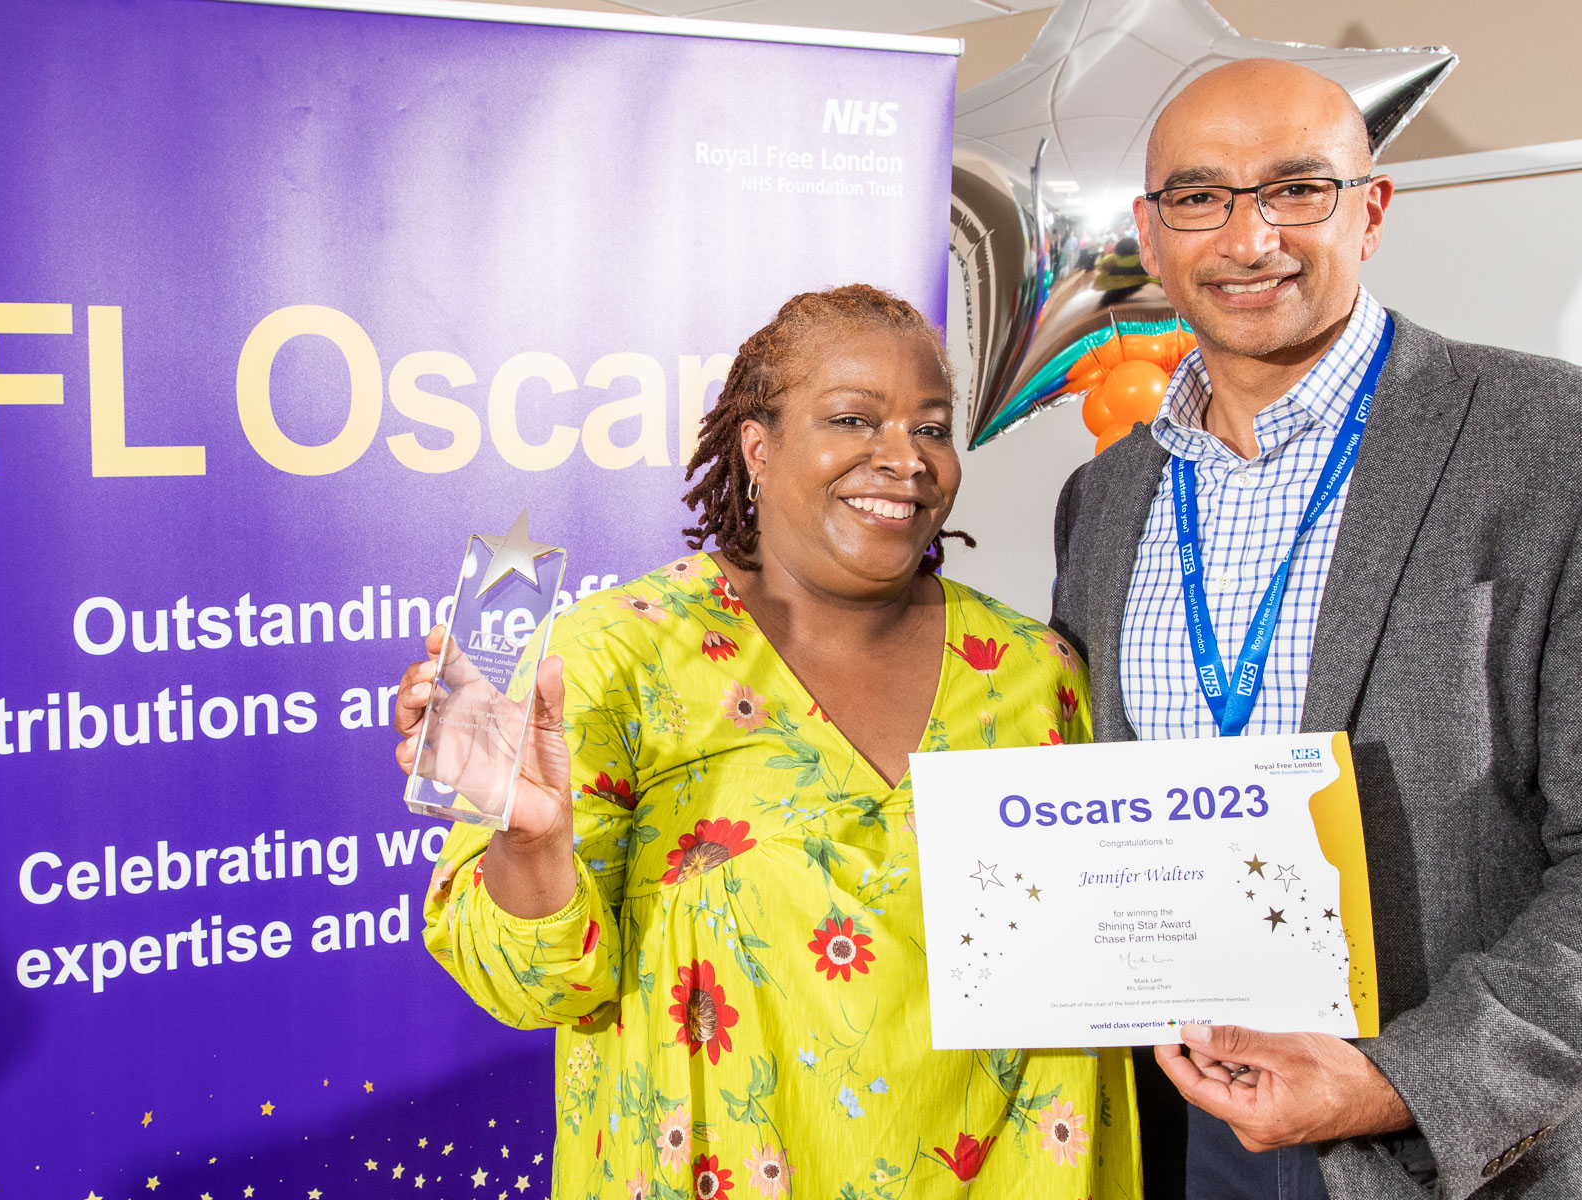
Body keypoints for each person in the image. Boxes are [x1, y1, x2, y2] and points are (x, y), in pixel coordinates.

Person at [397, 285, 1141, 1198]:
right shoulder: (616, 656)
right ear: (757, 446)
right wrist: (533, 840)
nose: (904, 459)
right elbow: (533, 988)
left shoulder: (1036, 671)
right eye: (852, 419)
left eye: (933, 428)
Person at [1051, 58, 1582, 1200]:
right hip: (1187, 1134)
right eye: (1201, 198)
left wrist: (1401, 1079)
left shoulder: (1552, 443)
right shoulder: (1103, 500)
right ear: (1150, 231)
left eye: (1298, 189)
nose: (1249, 240)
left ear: (1373, 209)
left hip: (1459, 1145)